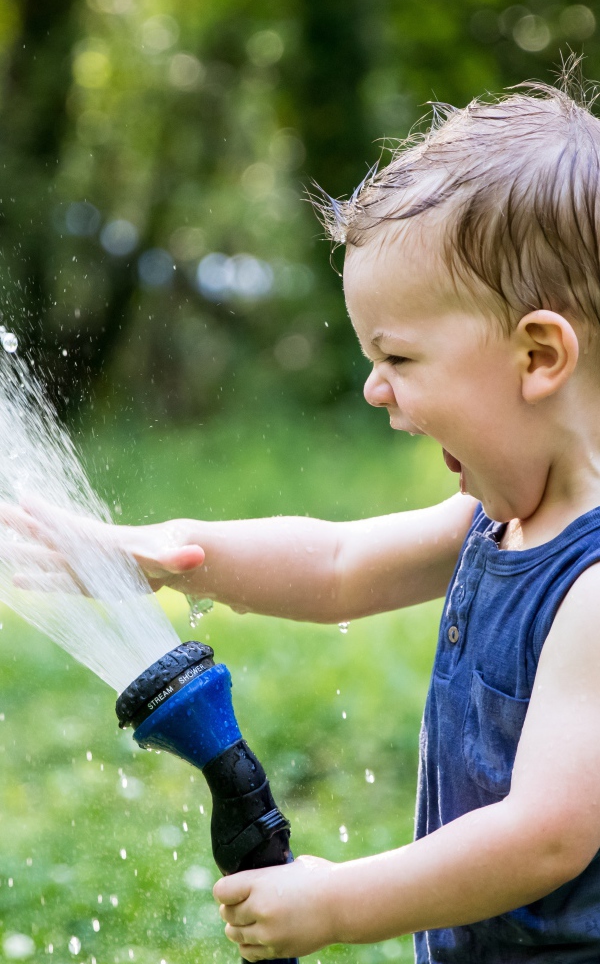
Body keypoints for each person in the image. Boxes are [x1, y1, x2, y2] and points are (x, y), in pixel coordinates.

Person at [11, 75, 600, 963]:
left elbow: (547, 836)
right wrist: (164, 556)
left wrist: (338, 903)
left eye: (398, 355)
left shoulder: (592, 586)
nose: (375, 387)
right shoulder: (493, 518)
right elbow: (335, 566)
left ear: (539, 352)